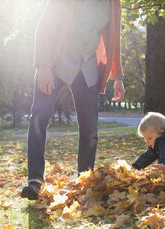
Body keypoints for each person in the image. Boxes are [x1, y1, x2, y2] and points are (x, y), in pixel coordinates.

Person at [21, 0, 125, 200]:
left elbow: (114, 38)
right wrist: (42, 65)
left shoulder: (113, 3)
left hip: (87, 66)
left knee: (90, 128)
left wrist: (117, 76)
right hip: (57, 63)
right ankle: (34, 181)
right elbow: (45, 26)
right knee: (38, 118)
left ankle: (83, 182)